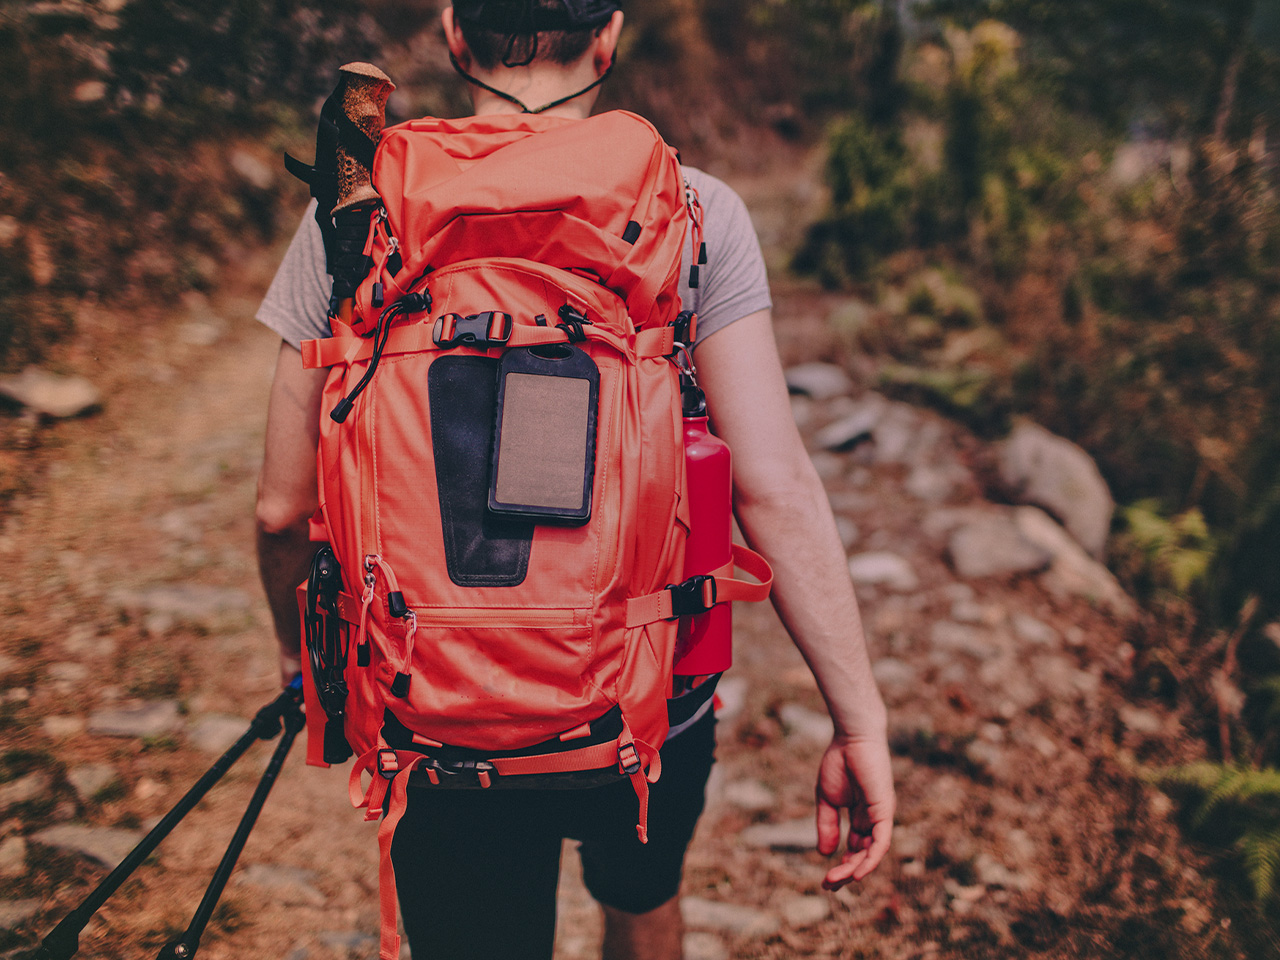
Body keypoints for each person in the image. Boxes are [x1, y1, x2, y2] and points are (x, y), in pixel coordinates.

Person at [253, 3, 894, 958]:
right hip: (646, 703)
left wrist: (310, 668)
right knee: (641, 901)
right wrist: (859, 719)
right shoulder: (693, 206)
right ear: (611, 36)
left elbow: (280, 507)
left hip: (437, 708)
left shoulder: (359, 213)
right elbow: (775, 487)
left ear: (454, 34)